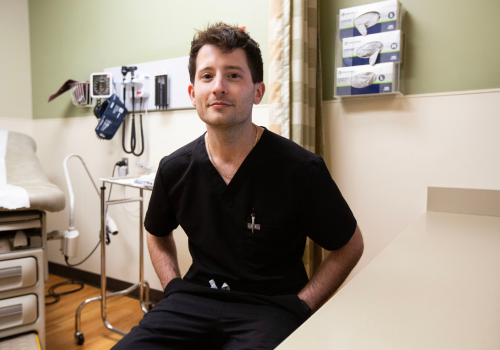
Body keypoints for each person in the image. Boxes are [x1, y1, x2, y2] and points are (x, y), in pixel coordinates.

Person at [112, 22, 364, 350]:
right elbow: (156, 233)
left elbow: (350, 245)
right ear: (193, 94)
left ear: (257, 91)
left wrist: (301, 306)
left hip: (270, 309)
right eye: (207, 76)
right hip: (191, 302)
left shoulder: (300, 170)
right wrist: (173, 287)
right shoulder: (175, 169)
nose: (218, 87)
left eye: (233, 75)